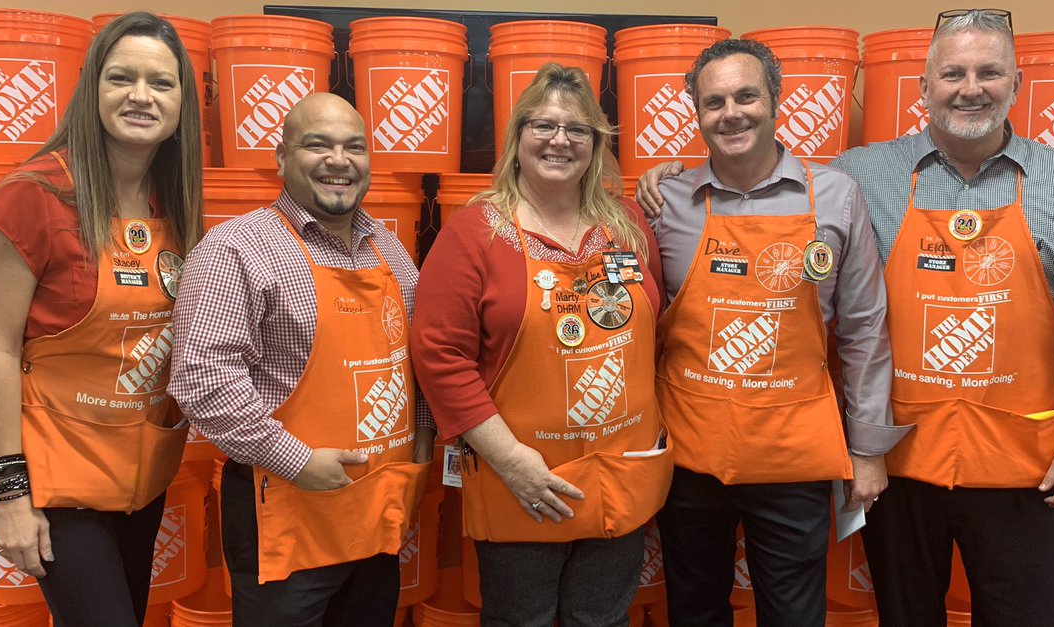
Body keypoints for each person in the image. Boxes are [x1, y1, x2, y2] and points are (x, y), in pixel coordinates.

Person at [637, 11, 1054, 627]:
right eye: (952, 74)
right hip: (903, 466)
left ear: (1016, 82)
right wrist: (667, 173)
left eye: (988, 72)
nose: (970, 88)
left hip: (1027, 469)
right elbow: (758, 181)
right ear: (924, 88)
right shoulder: (861, 176)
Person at [632, 39, 906, 626]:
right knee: (694, 610)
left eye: (746, 96)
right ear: (697, 113)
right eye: (714, 102)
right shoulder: (664, 201)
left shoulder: (835, 195)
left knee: (794, 614)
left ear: (776, 102)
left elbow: (864, 328)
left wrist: (867, 449)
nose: (731, 113)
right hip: (690, 453)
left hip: (793, 456)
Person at [411, 63, 672, 627]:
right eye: (544, 125)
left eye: (577, 129)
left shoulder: (628, 223)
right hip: (523, 483)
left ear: (596, 144)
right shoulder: (474, 232)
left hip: (623, 472)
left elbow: (657, 327)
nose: (560, 140)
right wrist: (511, 460)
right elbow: (440, 356)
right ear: (518, 136)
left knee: (603, 619)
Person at [168, 92, 435, 627]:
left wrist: (422, 440)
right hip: (286, 513)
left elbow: (418, 357)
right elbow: (203, 378)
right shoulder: (237, 248)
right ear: (282, 156)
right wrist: (297, 461)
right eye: (318, 145)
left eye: (354, 147)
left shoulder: (389, 248)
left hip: (377, 509)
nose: (339, 161)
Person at [0, 12, 202, 626]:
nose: (141, 96)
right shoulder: (32, 195)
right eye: (121, 78)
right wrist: (9, 494)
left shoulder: (173, 199)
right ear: (91, 88)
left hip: (141, 480)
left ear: (183, 102)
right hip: (59, 482)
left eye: (161, 82)